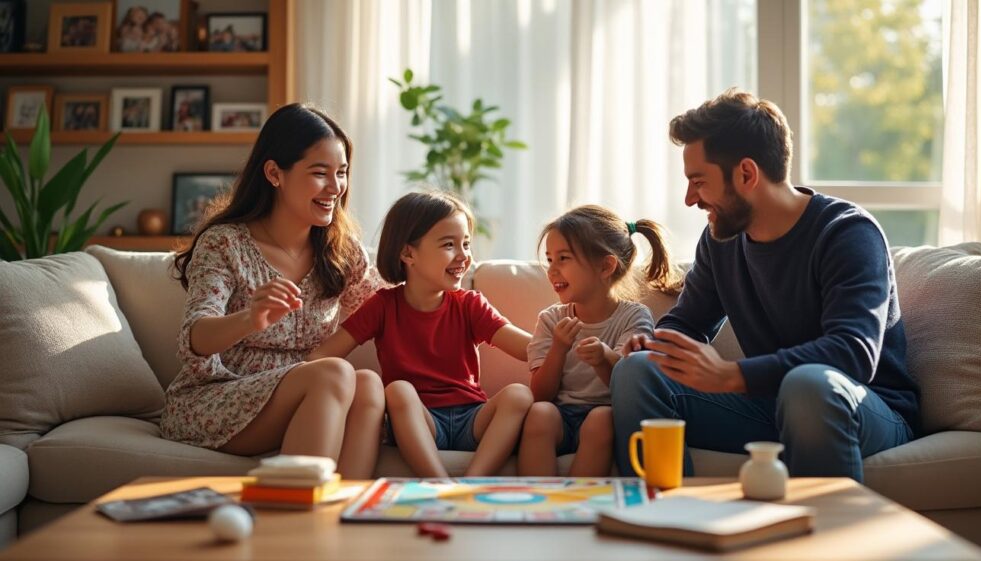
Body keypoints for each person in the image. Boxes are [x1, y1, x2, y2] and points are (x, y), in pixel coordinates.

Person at [610, 89, 920, 482]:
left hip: (860, 408)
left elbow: (852, 352)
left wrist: (733, 375)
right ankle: (663, 521)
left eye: (698, 182)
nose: (690, 199)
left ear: (746, 174)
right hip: (768, 407)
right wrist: (657, 343)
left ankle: (823, 539)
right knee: (638, 370)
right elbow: (688, 322)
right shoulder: (720, 240)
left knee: (808, 384)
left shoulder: (846, 233)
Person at [160, 104, 386, 479]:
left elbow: (390, 306)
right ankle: (292, 518)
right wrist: (250, 318)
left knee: (368, 385)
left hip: (305, 395)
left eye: (341, 173)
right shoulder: (225, 243)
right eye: (319, 173)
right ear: (274, 173)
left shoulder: (341, 251)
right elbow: (194, 337)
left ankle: (345, 514)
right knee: (334, 373)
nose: (335, 188)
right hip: (216, 397)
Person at [310, 192, 534, 477]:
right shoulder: (383, 305)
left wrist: (565, 337)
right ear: (408, 253)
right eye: (449, 245)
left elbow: (528, 348)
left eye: (466, 243)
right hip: (420, 420)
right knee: (399, 391)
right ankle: (438, 483)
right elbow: (322, 356)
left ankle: (472, 481)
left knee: (519, 395)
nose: (464, 255)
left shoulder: (470, 304)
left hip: (473, 417)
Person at [517, 205, 678, 477]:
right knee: (540, 413)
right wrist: (558, 349)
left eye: (563, 258)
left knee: (601, 419)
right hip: (560, 415)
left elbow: (630, 382)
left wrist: (604, 358)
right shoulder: (551, 319)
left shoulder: (634, 317)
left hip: (607, 414)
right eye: (549, 260)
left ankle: (579, 504)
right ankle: (541, 503)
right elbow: (540, 394)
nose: (552, 270)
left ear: (606, 266)